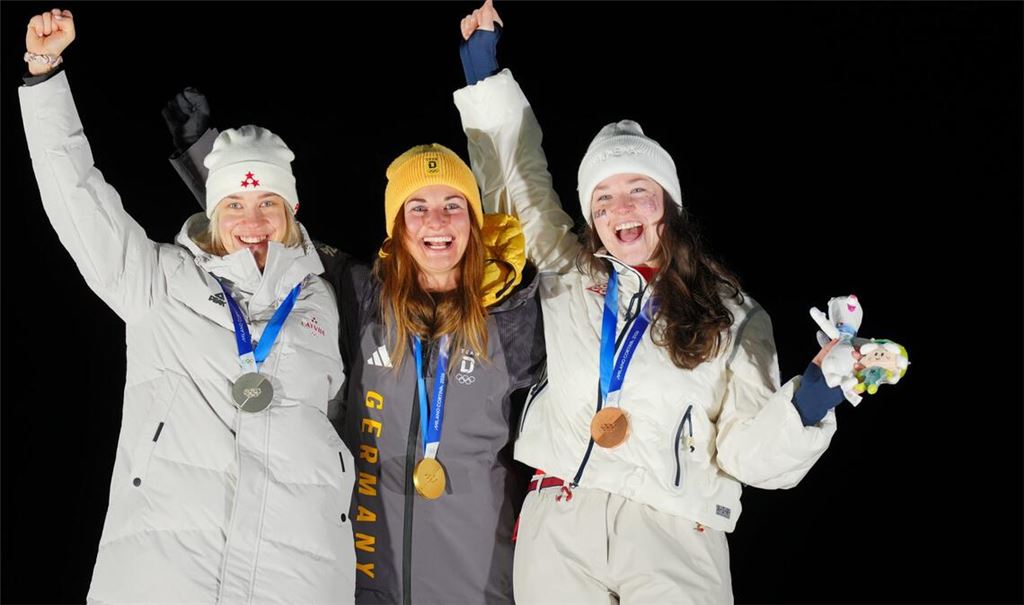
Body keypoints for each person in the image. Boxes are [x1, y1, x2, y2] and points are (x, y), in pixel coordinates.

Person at [454, 3, 855, 602]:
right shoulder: (568, 274)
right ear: (592, 216)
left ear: (668, 203)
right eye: (603, 198)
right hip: (561, 518)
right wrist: (484, 76)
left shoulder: (735, 317)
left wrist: (813, 398)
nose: (620, 209)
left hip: (675, 531)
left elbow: (749, 458)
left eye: (638, 190)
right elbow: (517, 180)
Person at [163, 54, 544, 605]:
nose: (436, 221)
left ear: (474, 222)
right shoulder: (363, 297)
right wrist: (207, 154)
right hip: (364, 581)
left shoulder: (513, 317)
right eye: (417, 208)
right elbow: (265, 232)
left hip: (479, 587)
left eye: (452, 205)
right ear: (397, 228)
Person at [20, 9, 355, 603]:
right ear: (212, 212)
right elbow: (77, 198)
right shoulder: (159, 281)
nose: (252, 222)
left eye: (268, 204)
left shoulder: (322, 300)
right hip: (168, 574)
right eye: (234, 206)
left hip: (297, 577)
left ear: (292, 212)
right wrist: (45, 75)